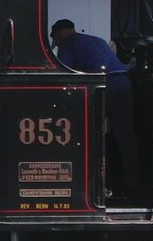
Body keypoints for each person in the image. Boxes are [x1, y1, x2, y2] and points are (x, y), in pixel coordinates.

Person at [50, 19, 138, 194]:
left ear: (59, 34)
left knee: (89, 134)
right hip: (123, 81)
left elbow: (64, 73)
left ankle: (93, 184)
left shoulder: (67, 44)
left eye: (55, 38)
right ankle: (133, 181)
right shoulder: (96, 40)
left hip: (104, 86)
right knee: (125, 135)